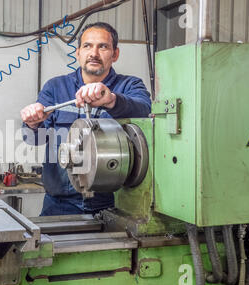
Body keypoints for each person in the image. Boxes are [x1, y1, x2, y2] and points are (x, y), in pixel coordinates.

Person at [20, 22, 151, 216]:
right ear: (78, 52)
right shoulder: (56, 88)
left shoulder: (129, 85)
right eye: (87, 46)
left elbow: (144, 108)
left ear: (115, 54)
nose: (94, 53)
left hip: (114, 206)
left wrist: (111, 99)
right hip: (59, 205)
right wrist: (32, 123)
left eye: (103, 46)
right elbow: (35, 140)